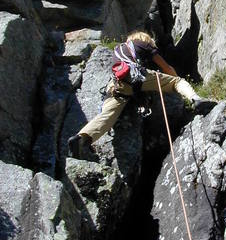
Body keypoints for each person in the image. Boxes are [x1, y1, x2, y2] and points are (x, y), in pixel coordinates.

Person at [68, 30, 215, 158]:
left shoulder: (118, 49)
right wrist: (174, 77)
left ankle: (82, 138)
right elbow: (166, 67)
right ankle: (196, 99)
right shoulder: (143, 44)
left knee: (107, 115)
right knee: (177, 82)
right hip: (137, 76)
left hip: (117, 84)